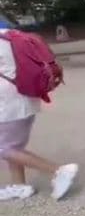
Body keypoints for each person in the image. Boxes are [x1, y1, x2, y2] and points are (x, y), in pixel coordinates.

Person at [0, 31, 78, 201]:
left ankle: (59, 171)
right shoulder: (10, 36)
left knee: (5, 149)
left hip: (8, 104)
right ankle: (19, 186)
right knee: (13, 146)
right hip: (25, 97)